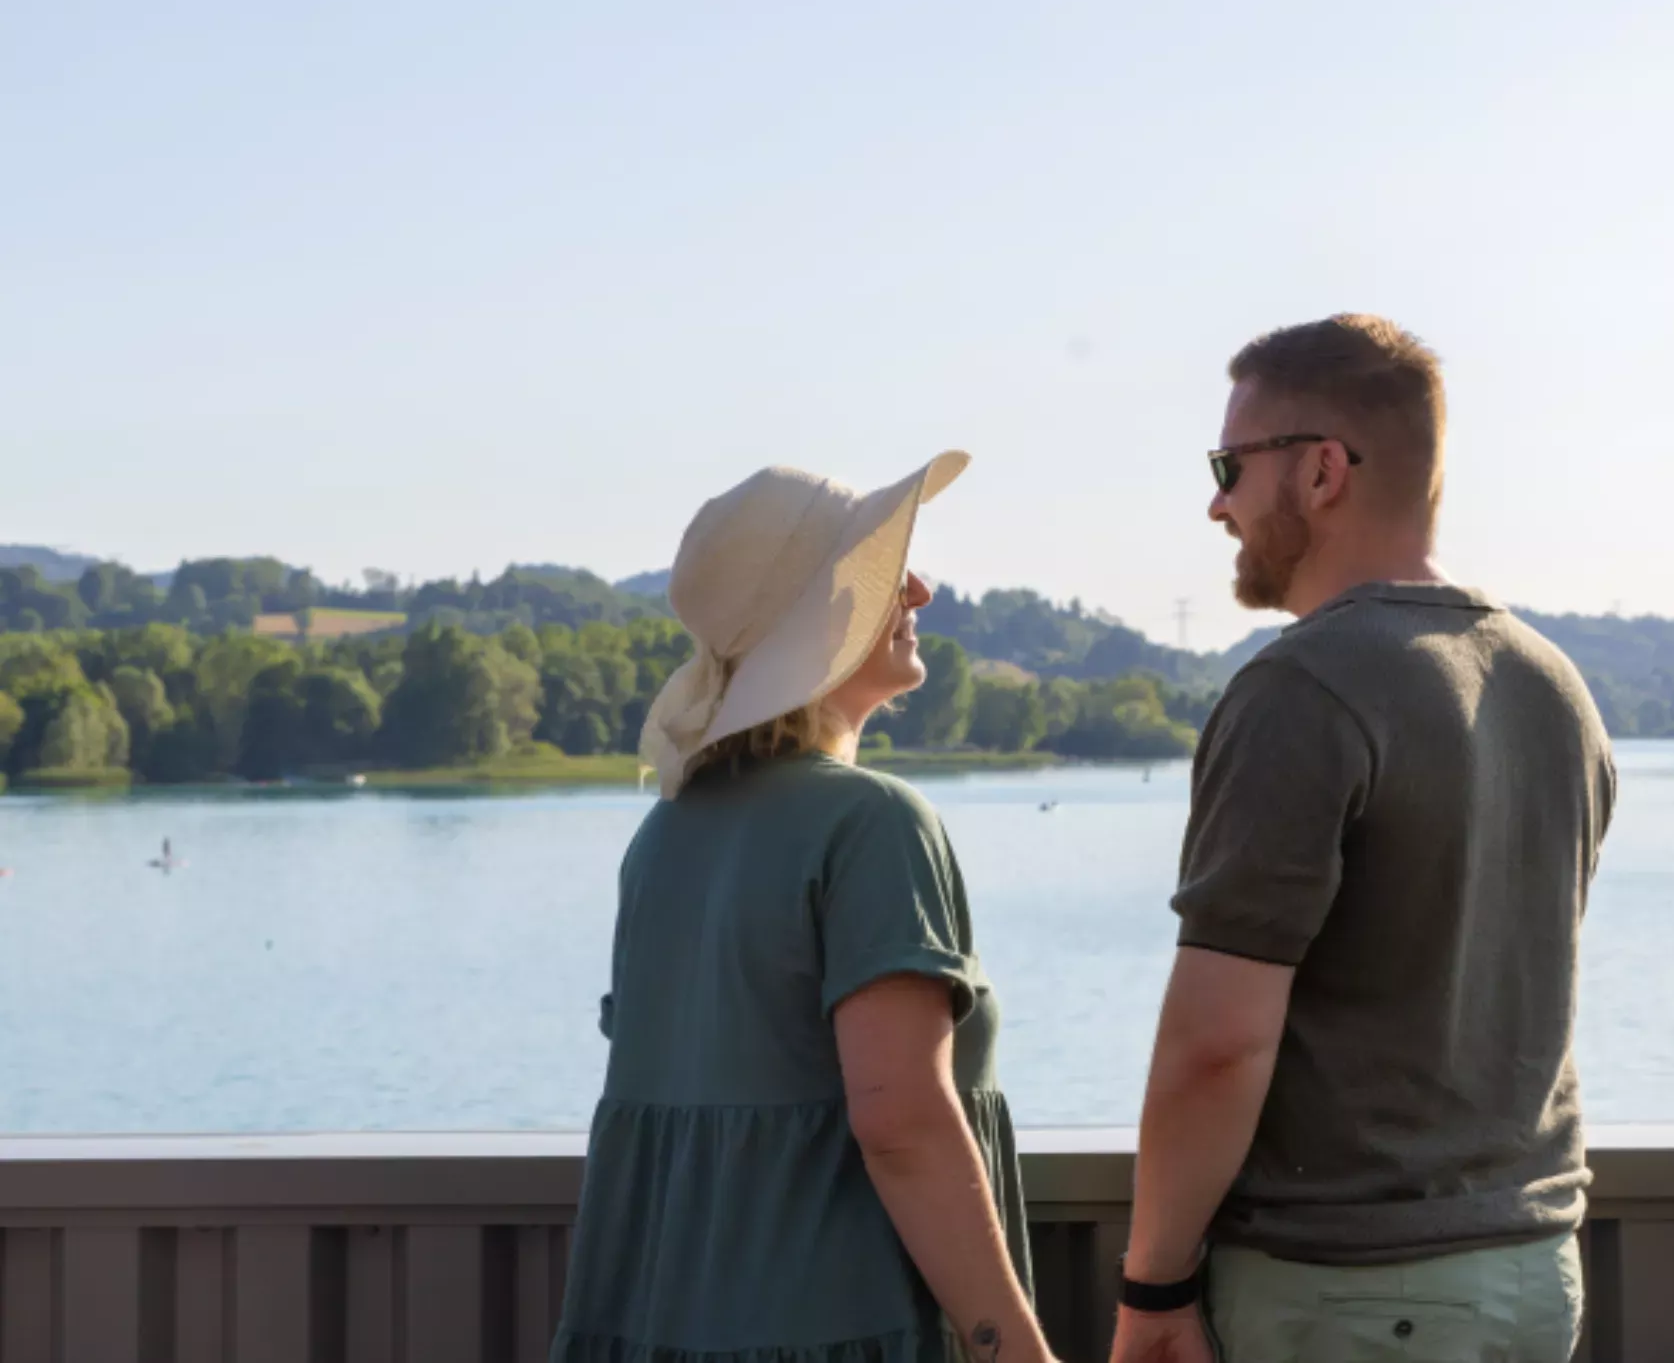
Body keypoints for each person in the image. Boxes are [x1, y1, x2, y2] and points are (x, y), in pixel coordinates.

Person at [1111, 316, 1616, 1363]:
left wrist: (1152, 1285)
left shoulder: (1299, 689)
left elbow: (1218, 1042)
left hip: (1353, 1293)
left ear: (1321, 471)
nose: (1216, 504)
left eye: (1229, 466)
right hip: (1532, 1271)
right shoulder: (1555, 687)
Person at [552, 452, 1056, 1363]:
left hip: (662, 1331)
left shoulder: (664, 835)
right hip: (844, 1332)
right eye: (881, 570)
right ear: (819, 613)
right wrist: (1018, 1353)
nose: (920, 588)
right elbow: (904, 1124)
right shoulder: (874, 822)